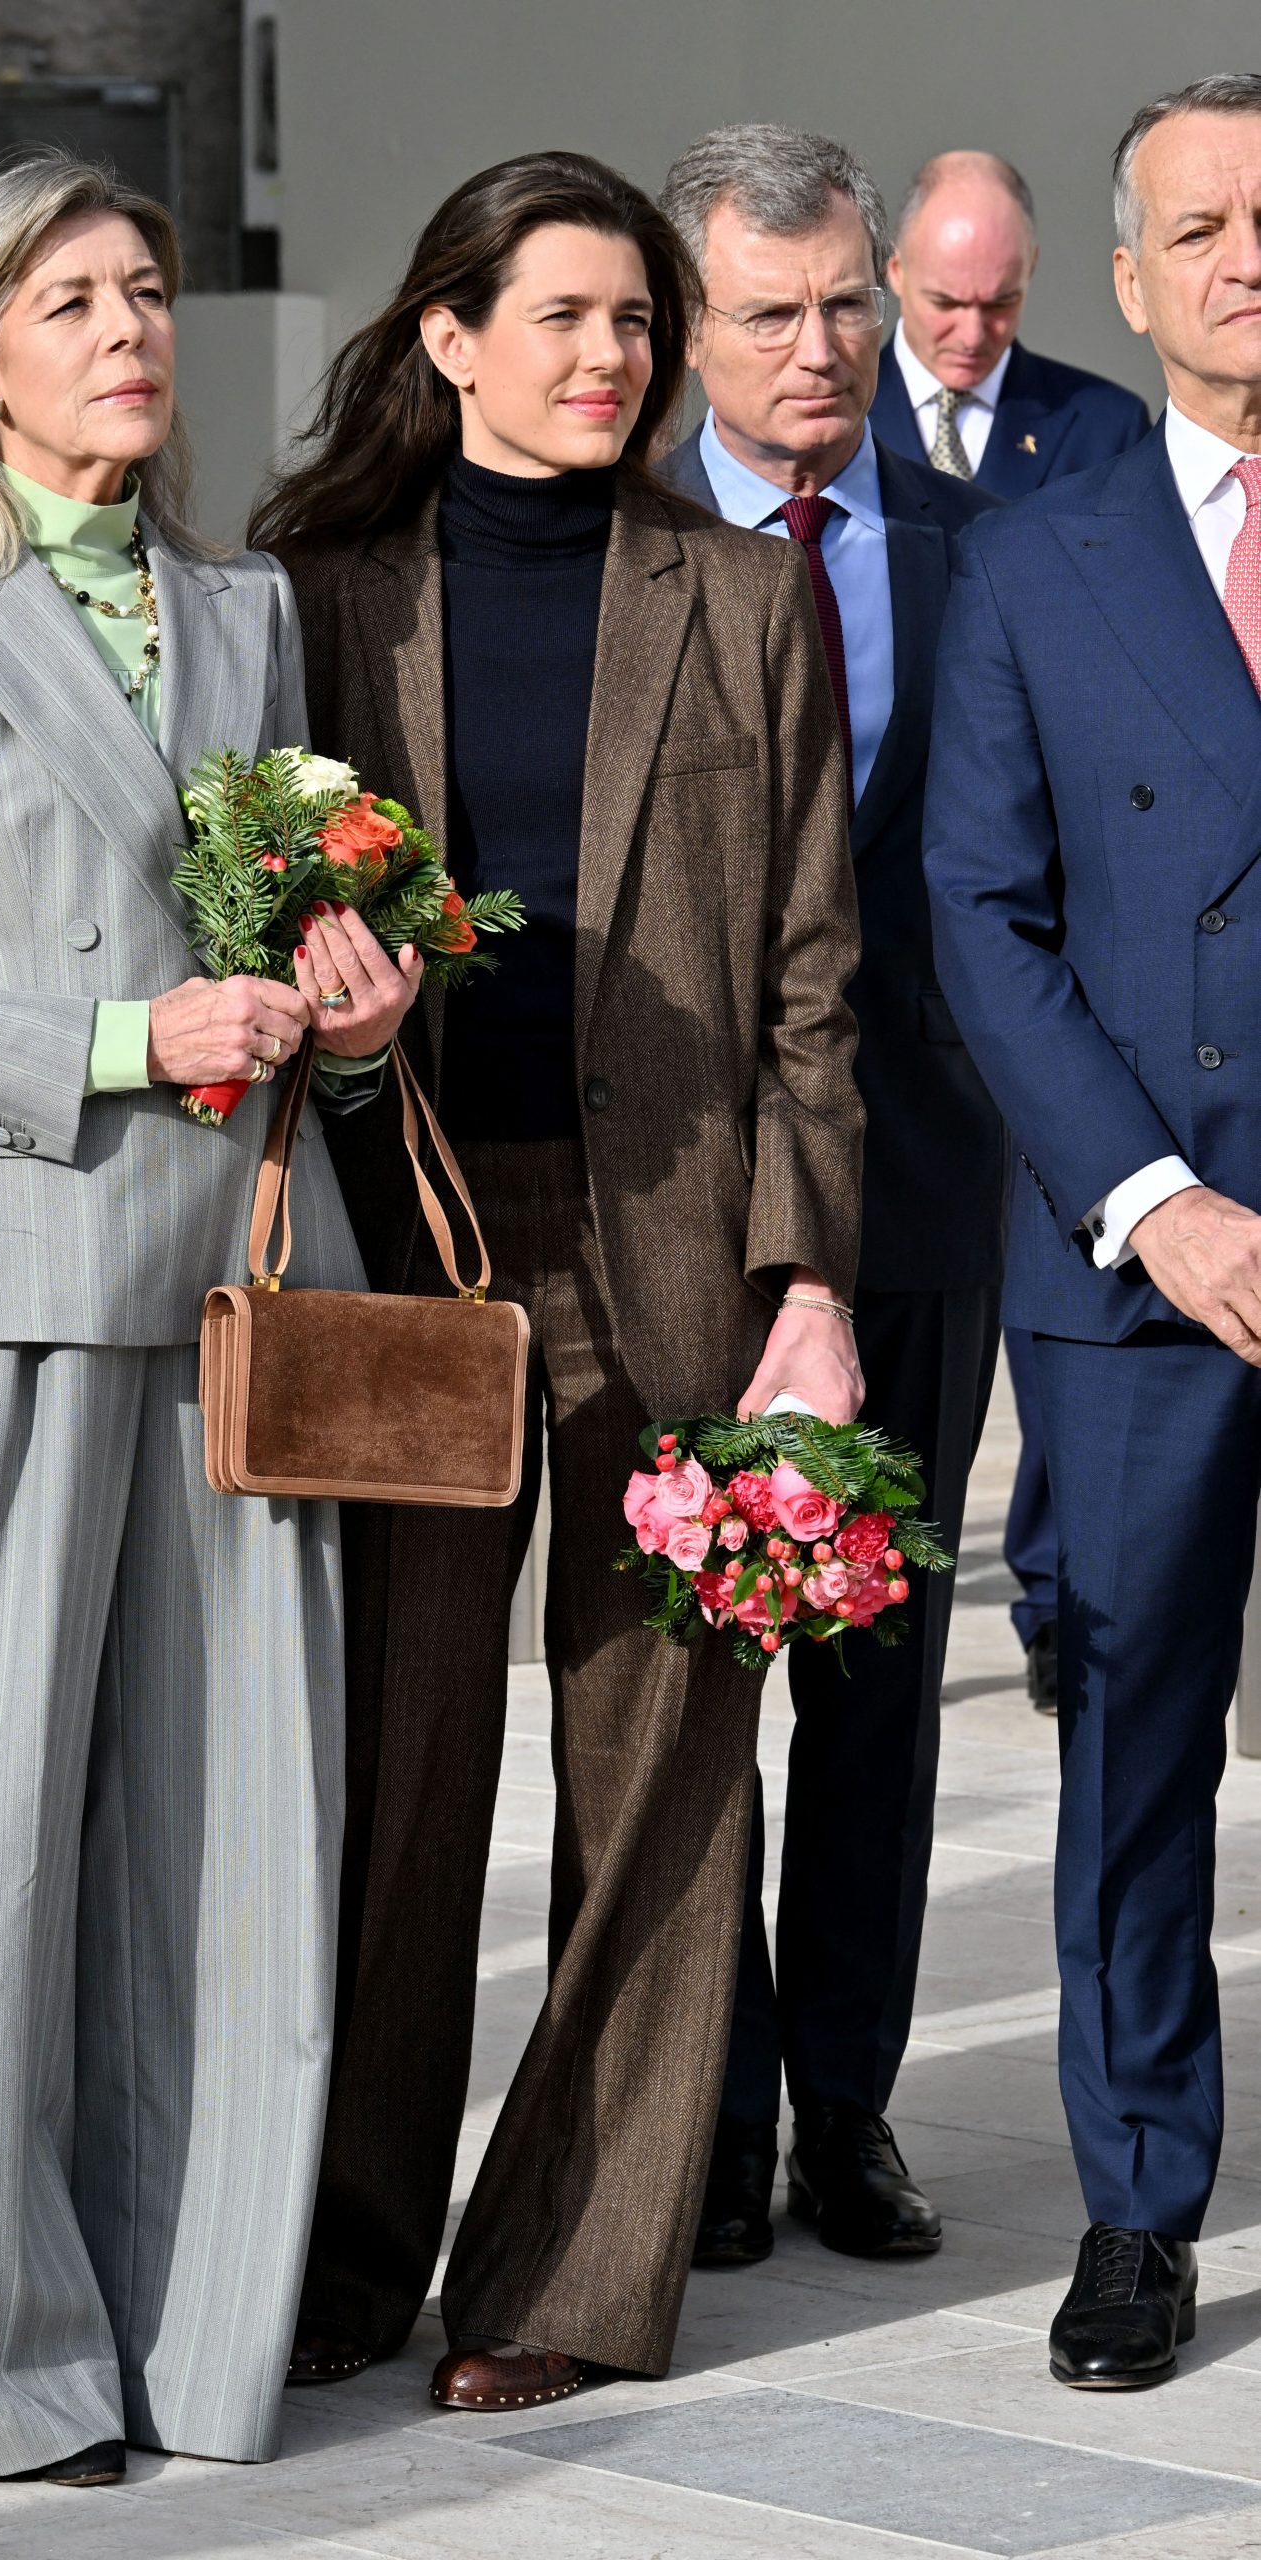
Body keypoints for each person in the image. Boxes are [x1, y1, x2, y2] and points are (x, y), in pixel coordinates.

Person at [0, 151, 417, 2482]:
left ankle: (200, 2337)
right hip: (1, 1305)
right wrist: (145, 1037)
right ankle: (7, 2360)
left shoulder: (244, 615)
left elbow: (307, 961)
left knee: (239, 1864)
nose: (129, 327)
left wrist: (355, 996)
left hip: (253, 1294)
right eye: (71, 300)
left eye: (146, 289)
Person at [250, 149, 865, 2413]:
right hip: (404, 1244)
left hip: (677, 1261)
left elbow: (810, 962)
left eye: (635, 319)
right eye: (567, 316)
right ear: (446, 336)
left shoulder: (731, 590)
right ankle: (338, 2245)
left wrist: (804, 1271)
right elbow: (226, 901)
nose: (609, 356)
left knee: (668, 1785)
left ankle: (571, 2270)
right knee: (393, 1777)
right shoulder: (315, 592)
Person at [925, 72, 1261, 2391]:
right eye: (1203, 226)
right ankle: (1136, 2207)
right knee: (1134, 1744)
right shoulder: (1035, 550)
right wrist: (1160, 1204)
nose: (1249, 255)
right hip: (1145, 1268)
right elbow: (976, 906)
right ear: (1125, 286)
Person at [658, 125, 1006, 2272]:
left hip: (928, 1192)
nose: (822, 347)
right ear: (690, 328)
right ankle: (694, 2105)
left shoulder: (996, 543)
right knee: (684, 1670)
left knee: (873, 1672)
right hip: (673, 1189)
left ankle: (844, 2106)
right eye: (770, 313)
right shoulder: (605, 555)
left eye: (847, 303)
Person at [876, 150, 1153, 1722]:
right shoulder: (834, 428)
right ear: (894, 280)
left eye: (996, 301)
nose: (968, 330)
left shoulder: (1096, 429)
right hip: (917, 934)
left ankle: (1051, 1587)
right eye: (941, 300)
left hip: (1052, 938)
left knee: (1058, 1297)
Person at [873, 149, 1151, 496]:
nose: (972, 336)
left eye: (1000, 303)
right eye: (945, 303)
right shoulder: (827, 416)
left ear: (1030, 267)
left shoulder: (1107, 429)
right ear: (895, 271)